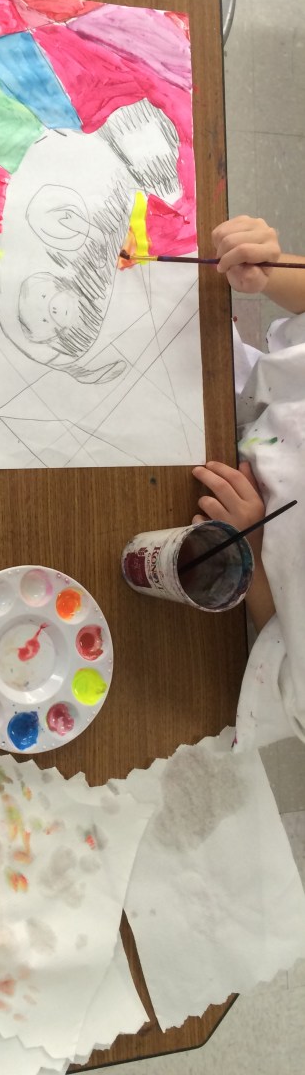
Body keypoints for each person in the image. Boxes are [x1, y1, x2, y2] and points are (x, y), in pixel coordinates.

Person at [189, 216, 305, 746]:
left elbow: (285, 661)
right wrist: (272, 269)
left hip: (216, 529)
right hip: (227, 385)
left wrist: (250, 545)